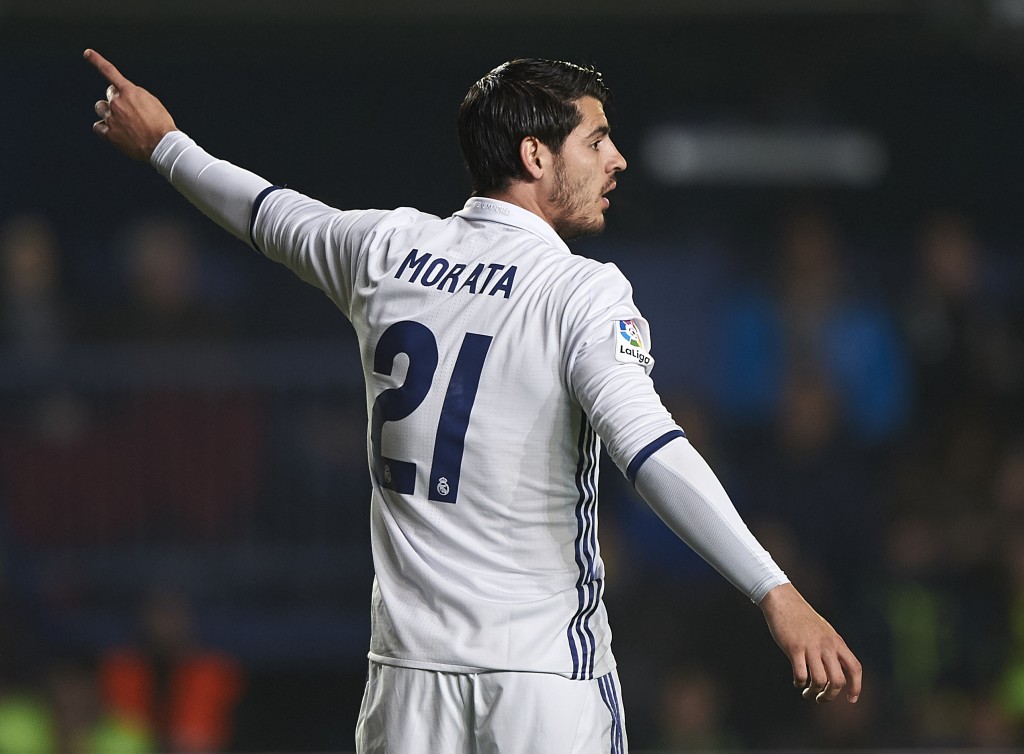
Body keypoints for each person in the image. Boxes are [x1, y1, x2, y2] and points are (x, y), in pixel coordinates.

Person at [84, 49, 861, 753]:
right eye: (596, 140)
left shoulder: (385, 251)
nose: (616, 159)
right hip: (540, 683)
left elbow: (263, 211)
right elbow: (650, 447)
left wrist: (163, 144)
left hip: (406, 687)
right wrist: (774, 589)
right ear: (535, 155)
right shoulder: (580, 292)